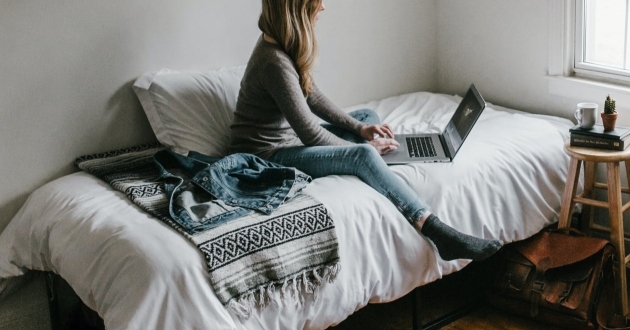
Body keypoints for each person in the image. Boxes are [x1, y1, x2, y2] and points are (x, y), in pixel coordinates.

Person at [228, 0, 502, 261]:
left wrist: (360, 127)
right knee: (363, 155)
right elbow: (310, 134)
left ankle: (374, 162)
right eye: (316, 1)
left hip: (287, 140)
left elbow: (312, 96)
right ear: (297, 7)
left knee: (368, 117)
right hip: (266, 157)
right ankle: (436, 229)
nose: (323, 5)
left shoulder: (280, 45)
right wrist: (363, 150)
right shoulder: (273, 61)